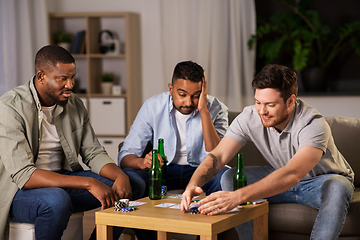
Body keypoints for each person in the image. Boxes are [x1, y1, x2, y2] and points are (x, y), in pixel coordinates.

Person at [181, 64, 354, 240]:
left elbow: (293, 174)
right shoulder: (249, 117)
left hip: (319, 182)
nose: (262, 111)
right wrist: (192, 184)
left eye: (270, 105)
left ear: (291, 101)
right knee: (229, 177)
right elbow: (218, 155)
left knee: (337, 187)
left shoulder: (313, 124)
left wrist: (236, 197)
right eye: (258, 102)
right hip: (282, 178)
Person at [0, 45, 149, 240]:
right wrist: (88, 183)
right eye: (62, 79)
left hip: (62, 180)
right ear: (41, 76)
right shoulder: (10, 107)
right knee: (56, 201)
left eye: (72, 77)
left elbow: (93, 152)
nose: (70, 85)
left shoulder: (74, 104)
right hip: (19, 192)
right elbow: (24, 175)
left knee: (134, 182)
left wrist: (120, 176)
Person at [118, 61, 229, 199]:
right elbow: (125, 156)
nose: (188, 102)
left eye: (196, 95)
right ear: (171, 89)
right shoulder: (152, 106)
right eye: (182, 95)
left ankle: (212, 218)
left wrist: (203, 110)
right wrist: (141, 162)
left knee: (225, 177)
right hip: (163, 170)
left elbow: (217, 154)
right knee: (129, 178)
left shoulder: (217, 109)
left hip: (202, 169)